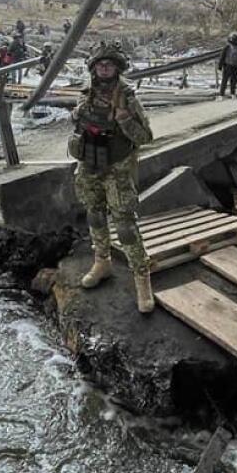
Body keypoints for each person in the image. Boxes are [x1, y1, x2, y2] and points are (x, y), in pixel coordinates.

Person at [68, 42, 155, 314]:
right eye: (100, 65)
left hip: (117, 169)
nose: (104, 68)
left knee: (125, 226)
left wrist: (125, 120)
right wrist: (77, 115)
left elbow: (146, 137)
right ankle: (102, 261)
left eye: (109, 64)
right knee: (94, 215)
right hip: (90, 163)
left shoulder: (127, 98)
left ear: (117, 68)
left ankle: (142, 278)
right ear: (93, 68)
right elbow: (76, 122)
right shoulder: (86, 93)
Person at [218, 33, 237, 98]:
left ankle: (221, 95)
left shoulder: (227, 47)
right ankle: (233, 94)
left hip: (228, 66)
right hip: (236, 66)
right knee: (233, 80)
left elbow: (222, 57)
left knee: (224, 80)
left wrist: (220, 66)